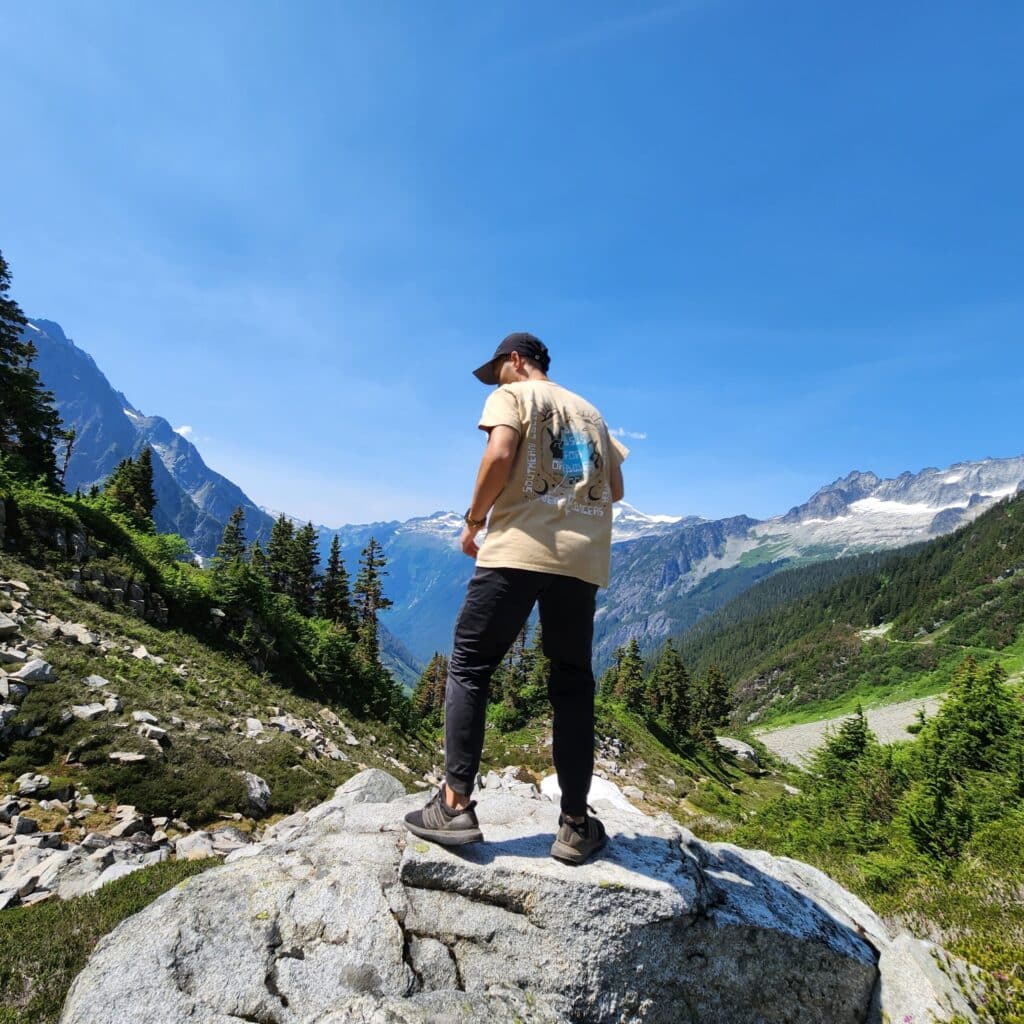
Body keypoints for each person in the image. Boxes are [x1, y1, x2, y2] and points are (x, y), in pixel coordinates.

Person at [403, 332, 628, 864]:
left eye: (497, 369)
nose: (494, 380)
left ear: (517, 361)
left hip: (516, 551)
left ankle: (455, 804)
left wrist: (474, 519)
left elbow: (502, 452)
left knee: (470, 665)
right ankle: (575, 824)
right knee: (572, 683)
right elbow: (614, 489)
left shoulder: (515, 397)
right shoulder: (592, 414)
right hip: (580, 562)